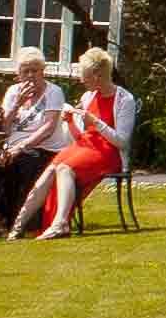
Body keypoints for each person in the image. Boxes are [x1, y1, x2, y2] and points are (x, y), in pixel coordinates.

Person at [26, 46, 133, 240]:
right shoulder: (88, 96)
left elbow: (122, 142)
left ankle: (60, 223)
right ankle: (36, 223)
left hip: (110, 153)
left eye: (84, 76)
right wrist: (70, 122)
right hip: (88, 147)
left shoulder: (125, 100)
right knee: (56, 166)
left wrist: (97, 123)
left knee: (65, 168)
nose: (81, 80)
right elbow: (81, 137)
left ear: (97, 76)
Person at [0, 61, 64, 239]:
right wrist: (17, 104)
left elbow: (48, 128)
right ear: (19, 75)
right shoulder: (13, 92)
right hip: (11, 147)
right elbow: (4, 130)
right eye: (26, 71)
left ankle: (14, 221)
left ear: (43, 72)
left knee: (20, 163)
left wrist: (20, 148)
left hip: (41, 147)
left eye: (35, 71)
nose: (30, 75)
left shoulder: (54, 92)